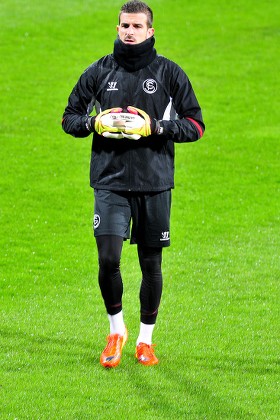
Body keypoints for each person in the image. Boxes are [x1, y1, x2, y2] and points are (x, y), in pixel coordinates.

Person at [62, 0, 205, 368]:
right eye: (124, 25)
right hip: (109, 181)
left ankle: (145, 340)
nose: (129, 31)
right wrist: (94, 123)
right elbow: (69, 117)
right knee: (108, 257)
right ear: (117, 28)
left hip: (154, 182)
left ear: (150, 31)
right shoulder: (98, 72)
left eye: (137, 26)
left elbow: (196, 125)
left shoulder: (170, 74)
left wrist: (154, 127)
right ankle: (116, 331)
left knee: (150, 264)